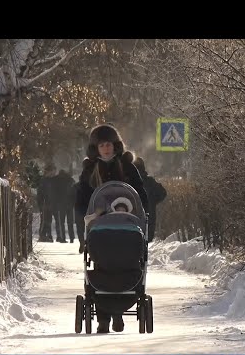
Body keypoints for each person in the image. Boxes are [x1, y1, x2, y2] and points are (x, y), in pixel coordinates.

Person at [75, 123, 149, 333]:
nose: (106, 148)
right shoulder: (90, 170)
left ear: (115, 146)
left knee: (127, 265)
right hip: (99, 230)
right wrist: (83, 231)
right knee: (101, 268)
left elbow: (141, 196)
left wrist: (143, 222)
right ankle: (103, 319)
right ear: (96, 148)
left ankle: (117, 314)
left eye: (109, 144)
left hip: (127, 228)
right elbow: (81, 201)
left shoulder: (127, 167)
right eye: (102, 145)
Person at [133, 157, 167, 242]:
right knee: (144, 242)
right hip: (148, 219)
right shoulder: (149, 181)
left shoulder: (129, 182)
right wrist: (153, 202)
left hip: (132, 221)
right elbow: (162, 193)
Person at [54, 169, 75, 243]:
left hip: (60, 204)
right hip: (70, 204)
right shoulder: (70, 180)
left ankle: (62, 238)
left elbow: (54, 193)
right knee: (70, 222)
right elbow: (74, 191)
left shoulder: (56, 181)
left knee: (61, 222)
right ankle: (72, 237)